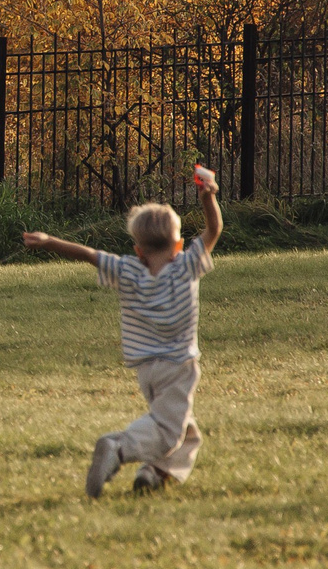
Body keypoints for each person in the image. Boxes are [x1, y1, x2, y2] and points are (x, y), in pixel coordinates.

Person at [21, 164, 223, 499]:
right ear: (177, 246)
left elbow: (88, 254)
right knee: (167, 430)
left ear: (139, 250)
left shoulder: (128, 271)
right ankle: (118, 447)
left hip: (145, 369)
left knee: (186, 431)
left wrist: (48, 242)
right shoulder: (186, 265)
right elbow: (214, 230)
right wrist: (207, 197)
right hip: (178, 366)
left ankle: (154, 473)